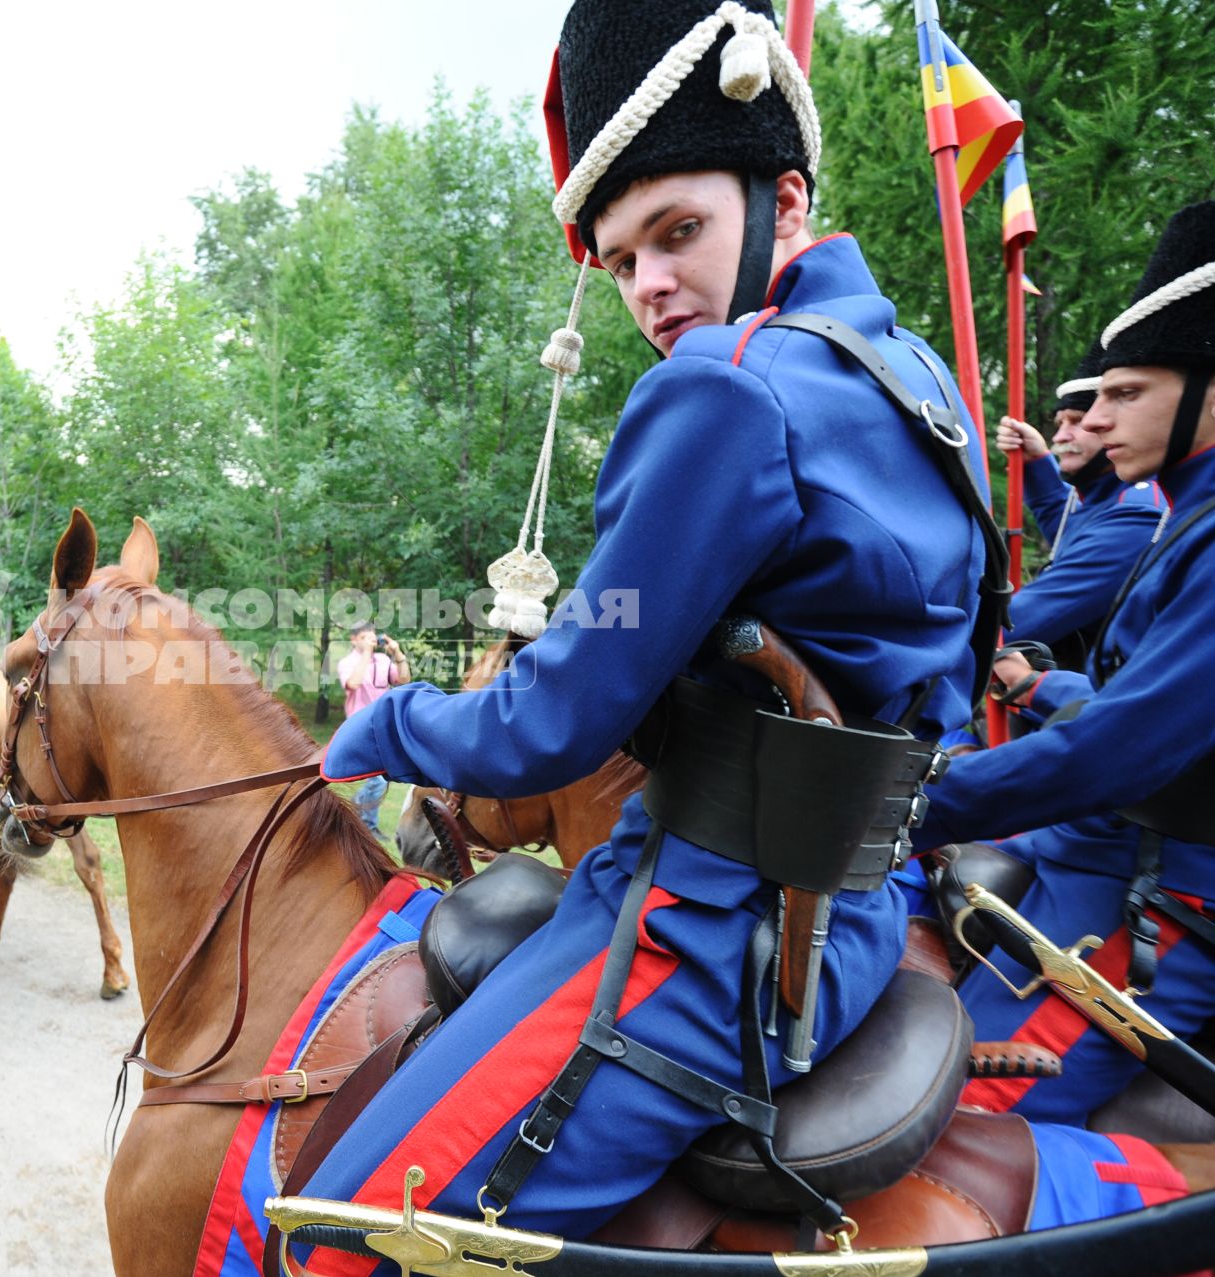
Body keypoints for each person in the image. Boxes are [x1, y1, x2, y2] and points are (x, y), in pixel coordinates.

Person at [290, 1, 1189, 1260]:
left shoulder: (725, 390)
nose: (652, 286)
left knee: (339, 1236)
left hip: (705, 947)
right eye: (619, 261)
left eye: (679, 232)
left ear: (787, 199)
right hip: (863, 922)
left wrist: (387, 722)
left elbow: (552, 717)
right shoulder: (923, 380)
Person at [913, 200, 1215, 1126]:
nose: (1097, 413)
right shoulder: (1184, 514)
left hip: (1156, 901)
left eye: (1128, 393)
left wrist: (907, 803)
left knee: (950, 1120)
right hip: (1090, 850)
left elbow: (1118, 750)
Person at [993, 348, 1164, 668]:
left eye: (1077, 422)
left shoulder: (1138, 517)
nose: (1060, 436)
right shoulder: (1104, 498)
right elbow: (1070, 524)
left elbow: (1019, 622)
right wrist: (1036, 463)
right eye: (1059, 423)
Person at [334, 622, 407, 834]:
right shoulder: (347, 663)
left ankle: (356, 807)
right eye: (365, 637)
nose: (371, 641)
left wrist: (398, 653)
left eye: (372, 637)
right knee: (377, 780)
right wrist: (366, 654)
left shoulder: (384, 660)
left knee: (382, 777)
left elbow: (404, 679)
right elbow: (354, 683)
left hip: (383, 725)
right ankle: (367, 825)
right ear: (354, 640)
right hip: (360, 726)